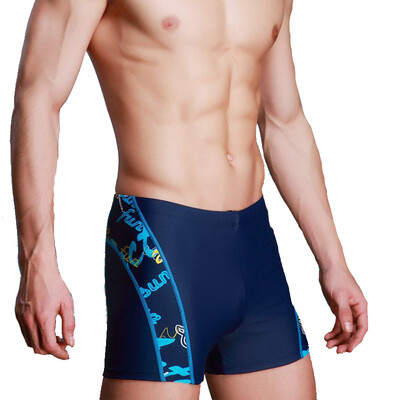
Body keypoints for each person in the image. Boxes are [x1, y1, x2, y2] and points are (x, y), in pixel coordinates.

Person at [10, 0, 368, 399]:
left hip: (254, 250)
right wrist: (36, 262)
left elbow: (284, 120)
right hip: (162, 244)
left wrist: (333, 262)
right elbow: (38, 96)